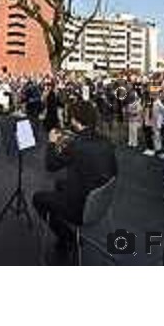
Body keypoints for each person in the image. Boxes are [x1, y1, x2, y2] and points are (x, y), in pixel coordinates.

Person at [32, 101, 117, 262]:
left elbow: (50, 165)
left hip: (83, 209)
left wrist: (51, 142)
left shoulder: (76, 145)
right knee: (59, 184)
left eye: (71, 118)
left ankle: (68, 238)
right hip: (102, 199)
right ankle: (65, 222)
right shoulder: (107, 141)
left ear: (76, 120)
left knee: (38, 199)